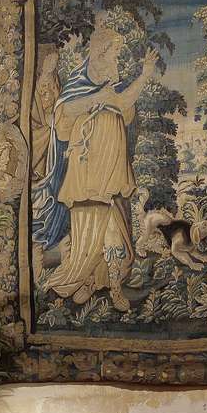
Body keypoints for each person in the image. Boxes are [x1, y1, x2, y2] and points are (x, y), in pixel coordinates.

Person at [40, 17, 158, 311]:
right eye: (114, 52)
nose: (117, 58)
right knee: (90, 228)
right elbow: (64, 112)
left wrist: (144, 76)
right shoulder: (79, 84)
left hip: (111, 165)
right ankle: (88, 278)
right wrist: (98, 97)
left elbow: (122, 103)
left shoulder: (112, 85)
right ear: (101, 52)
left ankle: (111, 285)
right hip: (87, 167)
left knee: (113, 228)